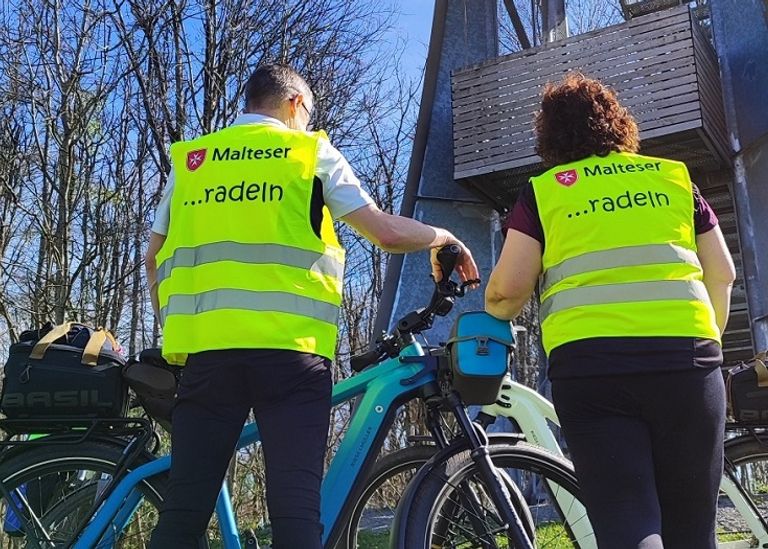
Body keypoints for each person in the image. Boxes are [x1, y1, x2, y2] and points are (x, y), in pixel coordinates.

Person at [143, 64, 478, 549]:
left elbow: (154, 256)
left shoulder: (195, 160)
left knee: (183, 513)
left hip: (209, 356)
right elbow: (382, 231)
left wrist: (177, 335)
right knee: (295, 512)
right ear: (296, 104)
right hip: (290, 357)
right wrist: (442, 236)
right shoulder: (309, 152)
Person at [485, 73, 736, 548]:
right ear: (619, 125)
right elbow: (722, 273)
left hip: (592, 372)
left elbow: (506, 293)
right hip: (688, 365)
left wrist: (488, 316)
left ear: (550, 137)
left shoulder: (546, 192)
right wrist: (707, 343)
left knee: (627, 521)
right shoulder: (673, 178)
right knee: (693, 529)